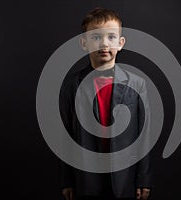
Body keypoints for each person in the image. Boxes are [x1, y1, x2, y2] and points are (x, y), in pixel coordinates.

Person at [59, 7, 151, 200]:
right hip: (85, 178)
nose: (104, 43)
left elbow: (144, 137)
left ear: (121, 43)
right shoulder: (70, 85)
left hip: (124, 178)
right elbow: (65, 137)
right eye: (95, 37)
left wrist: (143, 180)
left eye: (111, 37)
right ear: (84, 43)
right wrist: (67, 180)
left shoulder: (137, 84)